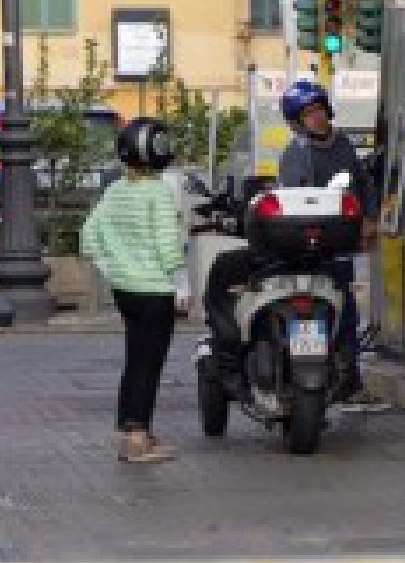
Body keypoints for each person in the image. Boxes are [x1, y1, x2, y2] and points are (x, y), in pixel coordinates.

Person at [203, 79, 385, 411]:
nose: (315, 118)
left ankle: (350, 381)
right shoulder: (296, 153)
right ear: (296, 121)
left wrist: (369, 219)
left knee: (346, 312)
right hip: (303, 246)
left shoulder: (343, 145)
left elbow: (363, 184)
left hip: (337, 246)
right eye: (307, 114)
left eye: (318, 110)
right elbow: (289, 198)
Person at [82, 118, 187, 464]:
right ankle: (138, 438)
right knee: (150, 364)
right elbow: (168, 244)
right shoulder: (157, 192)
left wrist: (113, 267)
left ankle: (132, 430)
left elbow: (89, 235)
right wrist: (181, 282)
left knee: (134, 360)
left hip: (125, 290)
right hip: (155, 291)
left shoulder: (115, 191)